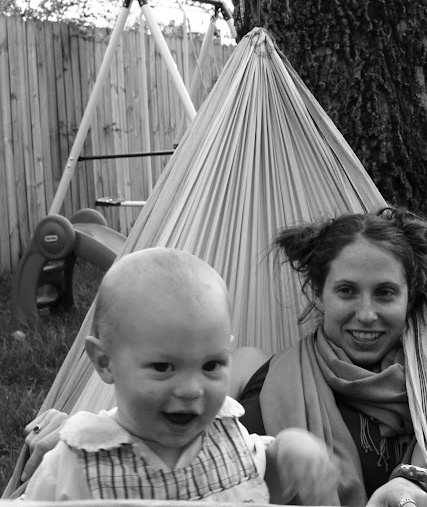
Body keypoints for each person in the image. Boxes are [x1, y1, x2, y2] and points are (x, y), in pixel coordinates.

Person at [23, 247, 337, 504]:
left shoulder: (227, 437)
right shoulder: (76, 465)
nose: (191, 390)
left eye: (211, 365)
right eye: (163, 367)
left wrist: (290, 452)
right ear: (105, 362)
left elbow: (261, 491)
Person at [231, 206, 427, 507]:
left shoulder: (422, 397)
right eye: (347, 291)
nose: (366, 314)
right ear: (318, 292)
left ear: (408, 298)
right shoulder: (253, 375)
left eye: (385, 293)